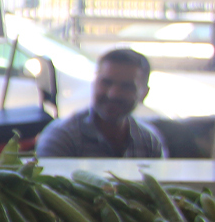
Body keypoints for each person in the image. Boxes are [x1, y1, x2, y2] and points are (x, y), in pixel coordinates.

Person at [35, 48, 167, 158]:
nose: (113, 94)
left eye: (126, 86)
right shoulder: (62, 138)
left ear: (144, 93)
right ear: (94, 83)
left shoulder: (149, 141)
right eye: (106, 83)